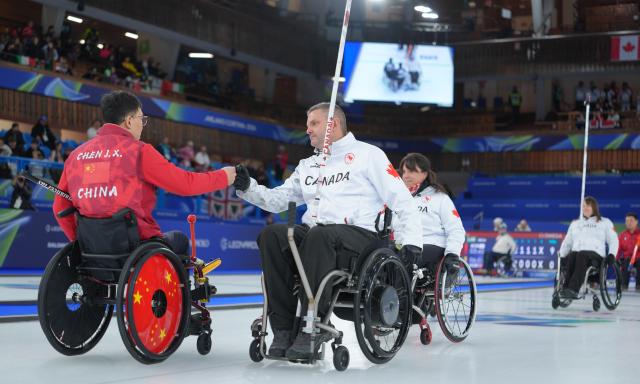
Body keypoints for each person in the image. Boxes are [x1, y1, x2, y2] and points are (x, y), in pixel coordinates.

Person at [234, 102, 422, 360]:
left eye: (314, 123)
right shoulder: (309, 165)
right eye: (307, 123)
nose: (307, 129)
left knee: (319, 235)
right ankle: (284, 329)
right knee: (272, 235)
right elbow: (279, 199)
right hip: (316, 234)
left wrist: (412, 241)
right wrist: (248, 188)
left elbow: (402, 199)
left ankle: (313, 326)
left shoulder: (369, 155)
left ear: (332, 125)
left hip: (359, 237)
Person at [53, 90, 237, 256]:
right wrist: (223, 176)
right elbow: (185, 184)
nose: (142, 124)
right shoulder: (138, 151)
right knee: (179, 241)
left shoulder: (76, 155)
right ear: (129, 120)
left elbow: (60, 207)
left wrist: (80, 243)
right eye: (141, 119)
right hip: (136, 246)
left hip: (91, 249)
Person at [398, 153, 465, 276]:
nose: (406, 176)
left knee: (405, 258)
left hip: (432, 244)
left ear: (424, 174)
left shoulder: (440, 198)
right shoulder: (398, 198)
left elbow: (456, 229)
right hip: (404, 245)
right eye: (404, 172)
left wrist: (452, 253)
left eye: (411, 171)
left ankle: (400, 294)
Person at [558, 197, 619, 299]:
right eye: (583, 206)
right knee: (573, 254)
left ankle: (573, 289)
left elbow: (613, 240)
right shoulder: (576, 223)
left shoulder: (605, 222)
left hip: (596, 257)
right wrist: (561, 255)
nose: (585, 208)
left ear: (594, 207)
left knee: (581, 254)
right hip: (577, 256)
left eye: (588, 206)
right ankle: (565, 288)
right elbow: (567, 242)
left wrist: (612, 254)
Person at [617, 212, 640, 290]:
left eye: (631, 221)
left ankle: (638, 285)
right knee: (625, 262)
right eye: (627, 221)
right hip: (627, 259)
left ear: (636, 222)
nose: (628, 223)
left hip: (639, 258)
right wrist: (615, 259)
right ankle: (624, 284)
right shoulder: (622, 235)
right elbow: (618, 249)